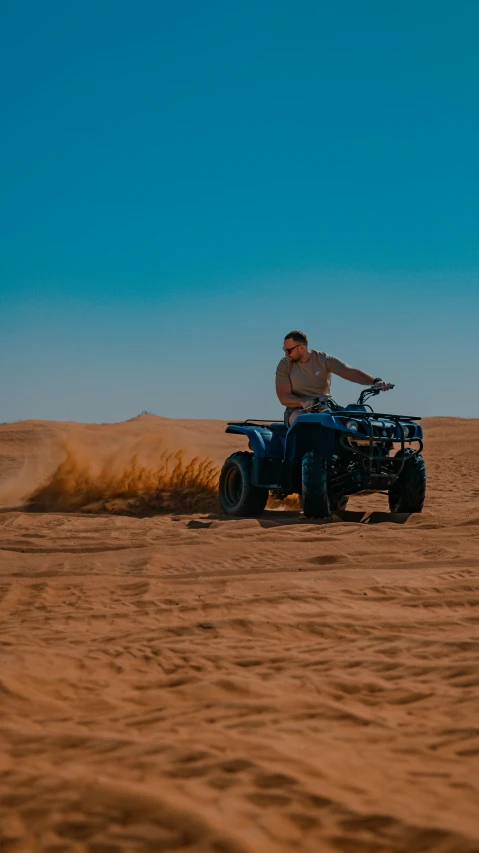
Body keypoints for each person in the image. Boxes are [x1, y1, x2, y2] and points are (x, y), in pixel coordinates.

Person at [276, 330, 391, 427]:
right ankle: (307, 454)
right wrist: (302, 402)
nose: (286, 354)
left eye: (288, 350)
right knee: (303, 419)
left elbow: (350, 371)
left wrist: (376, 381)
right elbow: (284, 397)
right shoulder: (285, 364)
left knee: (355, 422)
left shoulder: (323, 359)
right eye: (284, 350)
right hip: (297, 410)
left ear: (301, 348)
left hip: (325, 409)